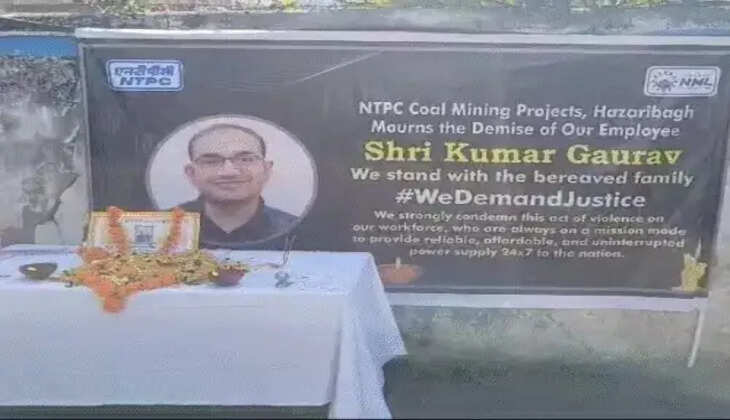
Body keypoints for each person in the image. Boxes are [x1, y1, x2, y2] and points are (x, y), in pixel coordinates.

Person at [179, 123, 298, 248]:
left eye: (245, 159)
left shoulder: (295, 229)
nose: (229, 172)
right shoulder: (166, 226)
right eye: (211, 161)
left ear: (266, 170)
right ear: (191, 173)